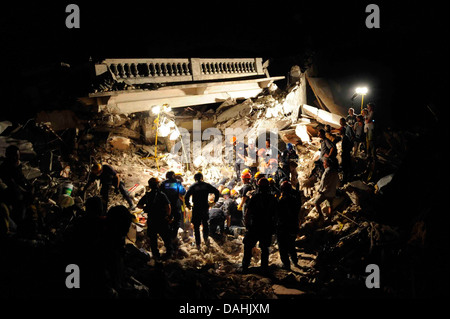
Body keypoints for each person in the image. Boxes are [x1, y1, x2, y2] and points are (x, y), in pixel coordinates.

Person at [241, 178, 278, 272]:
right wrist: (274, 226)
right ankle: (264, 267)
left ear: (259, 187)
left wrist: (247, 225)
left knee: (248, 245)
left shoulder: (255, 198)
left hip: (255, 226)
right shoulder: (272, 199)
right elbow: (277, 215)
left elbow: (247, 213)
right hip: (267, 226)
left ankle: (245, 266)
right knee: (265, 247)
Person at [137, 178, 173, 260]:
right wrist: (168, 215)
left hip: (152, 220)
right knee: (166, 237)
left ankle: (156, 255)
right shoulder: (161, 194)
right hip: (161, 219)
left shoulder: (147, 195)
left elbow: (139, 205)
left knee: (153, 239)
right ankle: (169, 254)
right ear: (157, 185)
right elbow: (168, 206)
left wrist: (146, 207)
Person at [184, 172, 220, 249]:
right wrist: (214, 201)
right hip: (204, 207)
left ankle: (198, 244)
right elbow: (216, 191)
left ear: (195, 178)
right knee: (205, 224)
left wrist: (188, 205)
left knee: (196, 226)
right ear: (202, 178)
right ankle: (206, 240)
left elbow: (186, 197)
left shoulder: (193, 186)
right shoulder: (206, 185)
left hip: (196, 208)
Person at [0, 145, 32, 224]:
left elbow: (21, 178)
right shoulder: (5, 168)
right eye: (14, 156)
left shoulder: (16, 166)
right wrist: (25, 191)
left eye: (18, 156)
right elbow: (12, 184)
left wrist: (29, 185)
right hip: (11, 196)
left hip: (18, 194)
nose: (17, 158)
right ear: (8, 156)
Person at [276, 181, 301, 270]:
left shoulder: (281, 201)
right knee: (291, 244)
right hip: (293, 225)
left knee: (282, 246)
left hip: (283, 226)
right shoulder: (294, 199)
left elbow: (278, 214)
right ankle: (295, 261)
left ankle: (286, 264)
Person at [159, 171, 186, 248]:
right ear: (173, 176)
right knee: (177, 219)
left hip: (166, 205)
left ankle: (169, 238)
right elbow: (183, 192)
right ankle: (174, 236)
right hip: (175, 204)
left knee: (168, 220)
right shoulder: (177, 182)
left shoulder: (163, 183)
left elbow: (160, 193)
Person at [314, 157, 339, 225]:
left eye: (324, 163)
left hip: (325, 192)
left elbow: (323, 182)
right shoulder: (335, 171)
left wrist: (319, 190)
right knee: (330, 205)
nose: (323, 164)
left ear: (327, 164)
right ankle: (329, 219)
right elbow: (337, 181)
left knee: (316, 202)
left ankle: (321, 216)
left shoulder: (327, 171)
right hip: (332, 192)